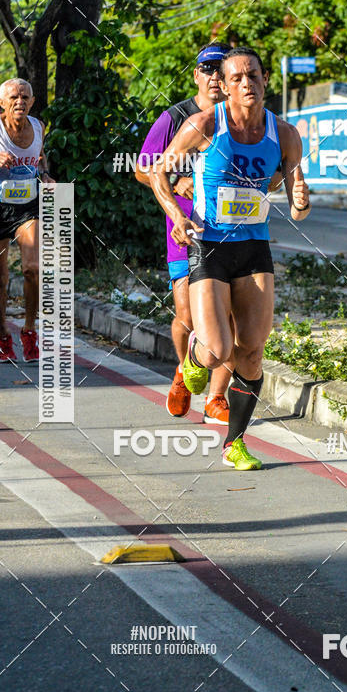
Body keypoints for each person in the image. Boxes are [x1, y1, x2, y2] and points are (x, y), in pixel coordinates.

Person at [150, 46, 310, 470]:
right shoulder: (204, 124)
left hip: (254, 247)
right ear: (224, 84)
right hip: (209, 245)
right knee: (217, 349)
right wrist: (176, 217)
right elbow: (158, 171)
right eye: (236, 77)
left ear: (265, 79)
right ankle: (192, 360)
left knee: (252, 353)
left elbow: (297, 201)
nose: (246, 84)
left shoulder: (285, 134)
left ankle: (234, 444)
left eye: (253, 75)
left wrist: (299, 198)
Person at [136, 42, 234, 424]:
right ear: (196, 75)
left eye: (221, 69)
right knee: (188, 316)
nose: (214, 76)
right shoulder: (175, 118)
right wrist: (177, 183)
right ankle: (183, 369)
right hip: (186, 229)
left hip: (231, 231)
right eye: (207, 69)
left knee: (229, 317)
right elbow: (143, 169)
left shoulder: (242, 119)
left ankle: (217, 397)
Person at [0, 79, 54, 362]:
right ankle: (3, 334)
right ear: (2, 103)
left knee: (33, 268)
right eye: (14, 97)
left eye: (25, 97)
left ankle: (29, 331)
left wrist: (44, 174)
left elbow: (40, 157)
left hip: (28, 207)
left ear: (32, 101)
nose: (20, 102)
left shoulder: (38, 127)